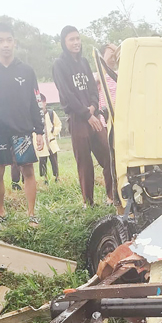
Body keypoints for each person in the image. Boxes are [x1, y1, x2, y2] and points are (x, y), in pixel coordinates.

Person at [0, 22, 45, 227]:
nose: (5, 44)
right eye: (0, 40)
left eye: (9, 40)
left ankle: (31, 214)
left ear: (14, 42)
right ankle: (0, 212)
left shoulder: (26, 70)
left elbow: (34, 101)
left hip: (22, 129)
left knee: (28, 170)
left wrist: (40, 130)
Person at [52, 25, 115, 207]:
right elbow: (67, 95)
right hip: (78, 119)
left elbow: (94, 89)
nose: (76, 42)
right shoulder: (60, 64)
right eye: (72, 39)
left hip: (93, 116)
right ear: (64, 42)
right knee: (84, 162)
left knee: (109, 154)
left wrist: (94, 107)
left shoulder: (84, 62)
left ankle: (111, 196)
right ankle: (88, 202)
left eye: (78, 38)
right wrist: (86, 114)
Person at [34, 93, 61, 183]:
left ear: (45, 102)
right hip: (42, 144)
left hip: (51, 142)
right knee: (42, 162)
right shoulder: (35, 116)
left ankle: (57, 176)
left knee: (54, 161)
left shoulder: (51, 113)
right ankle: (45, 178)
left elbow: (58, 124)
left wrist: (54, 131)